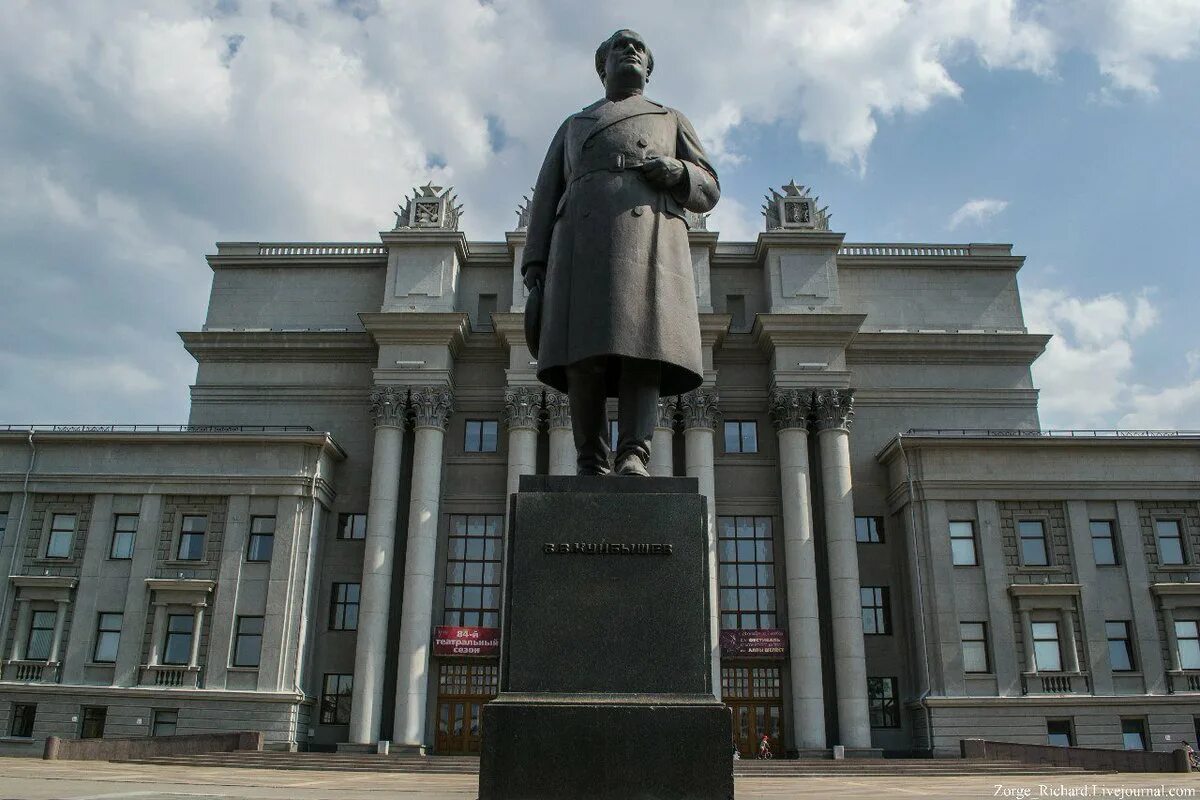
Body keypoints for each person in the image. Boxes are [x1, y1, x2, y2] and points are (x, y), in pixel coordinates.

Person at [522, 29, 720, 476]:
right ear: (603, 66)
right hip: (579, 246)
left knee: (642, 348)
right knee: (583, 356)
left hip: (648, 240)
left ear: (647, 68)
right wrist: (535, 260)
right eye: (619, 47)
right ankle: (590, 458)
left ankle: (634, 453)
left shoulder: (670, 119)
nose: (630, 51)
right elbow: (545, 192)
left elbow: (709, 187)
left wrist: (679, 170)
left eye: (639, 48)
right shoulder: (575, 124)